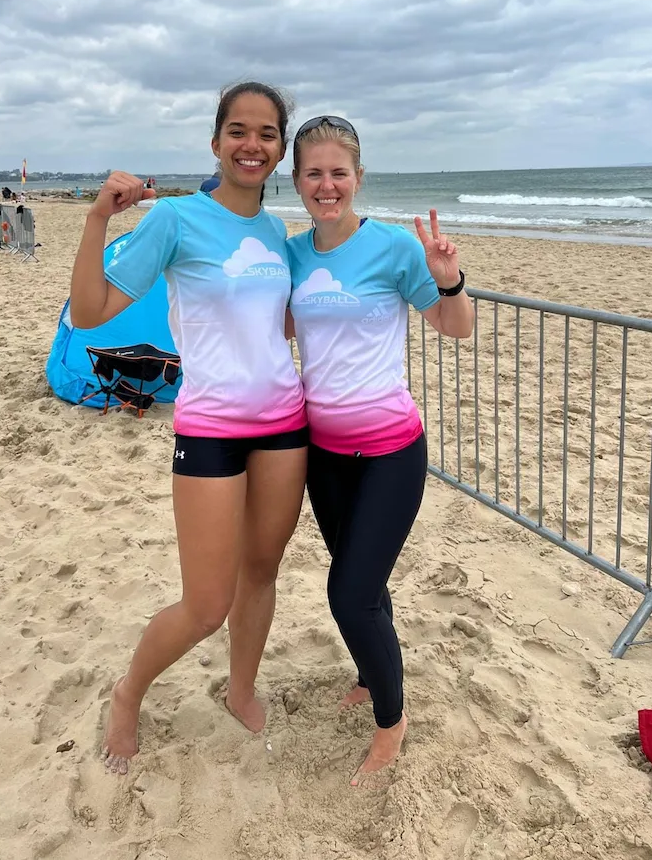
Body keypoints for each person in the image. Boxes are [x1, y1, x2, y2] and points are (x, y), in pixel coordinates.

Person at [69, 81, 308, 775]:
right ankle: (128, 691)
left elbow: (285, 325)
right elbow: (88, 312)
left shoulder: (275, 234)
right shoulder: (175, 220)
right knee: (207, 602)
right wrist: (95, 222)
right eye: (238, 130)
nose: (252, 144)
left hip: (285, 426)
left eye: (267, 133)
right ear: (215, 142)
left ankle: (239, 689)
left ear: (280, 149)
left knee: (261, 571)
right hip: (210, 427)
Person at [286, 117, 474, 786]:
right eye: (314, 172)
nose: (327, 184)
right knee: (362, 580)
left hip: (393, 450)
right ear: (297, 180)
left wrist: (448, 279)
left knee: (349, 591)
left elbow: (457, 328)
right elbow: (275, 326)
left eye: (339, 172)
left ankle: (391, 721)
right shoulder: (293, 254)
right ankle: (371, 674)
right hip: (324, 455)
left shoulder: (395, 249)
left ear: (358, 178)